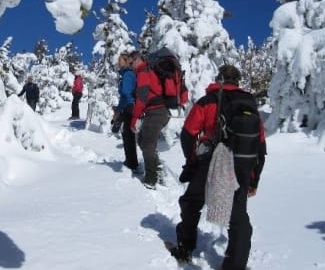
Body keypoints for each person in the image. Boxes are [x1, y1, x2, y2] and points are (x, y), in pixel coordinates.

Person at [169, 65, 267, 270]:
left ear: (219, 79)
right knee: (237, 216)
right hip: (242, 165)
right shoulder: (249, 103)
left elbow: (187, 134)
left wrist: (192, 161)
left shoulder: (209, 101)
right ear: (237, 81)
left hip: (212, 163)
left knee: (191, 202)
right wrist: (254, 179)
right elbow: (260, 145)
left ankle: (185, 248)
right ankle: (235, 265)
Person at [129, 50, 170, 188]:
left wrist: (135, 117)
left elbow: (142, 97)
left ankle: (151, 179)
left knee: (147, 143)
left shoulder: (143, 72)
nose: (131, 65)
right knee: (143, 140)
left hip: (156, 111)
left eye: (131, 62)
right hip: (157, 111)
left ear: (137, 59)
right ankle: (156, 169)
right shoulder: (146, 71)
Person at [113, 53, 138, 171]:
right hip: (128, 106)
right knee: (127, 135)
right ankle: (131, 161)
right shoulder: (127, 74)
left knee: (128, 135)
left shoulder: (128, 74)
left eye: (120, 60)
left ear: (126, 61)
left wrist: (118, 110)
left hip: (129, 107)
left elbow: (126, 94)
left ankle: (132, 163)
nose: (118, 62)